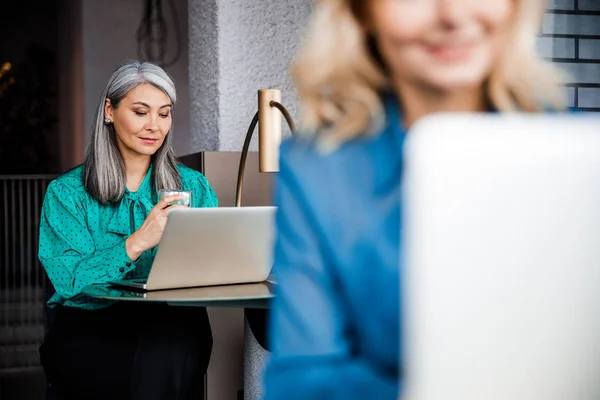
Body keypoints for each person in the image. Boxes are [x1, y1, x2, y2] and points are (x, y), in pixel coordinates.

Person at [263, 0, 566, 399]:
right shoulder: (318, 172)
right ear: (361, 13)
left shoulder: (575, 156)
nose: (453, 16)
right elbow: (300, 381)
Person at [38, 61, 218, 400]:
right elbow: (68, 280)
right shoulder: (67, 194)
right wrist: (137, 242)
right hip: (91, 326)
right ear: (109, 110)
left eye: (164, 114)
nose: (154, 125)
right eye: (140, 111)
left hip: (171, 325)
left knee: (171, 343)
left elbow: (212, 267)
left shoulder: (194, 186)